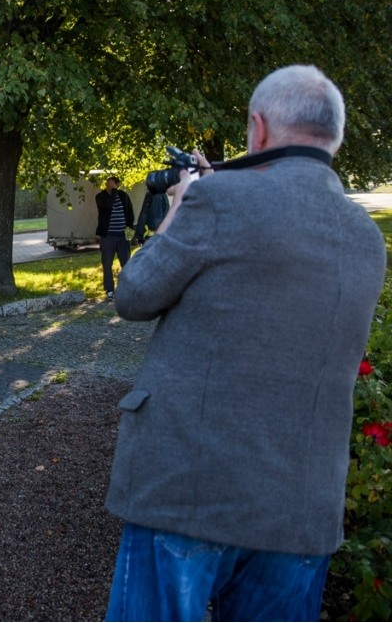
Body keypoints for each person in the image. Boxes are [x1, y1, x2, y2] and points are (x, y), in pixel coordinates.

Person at [104, 65, 387, 622]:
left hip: (189, 489)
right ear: (335, 136)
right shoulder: (365, 236)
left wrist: (185, 203)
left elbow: (133, 295)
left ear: (257, 129)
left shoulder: (219, 202)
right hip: (303, 506)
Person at [94, 176, 134, 300]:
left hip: (122, 236)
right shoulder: (101, 197)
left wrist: (129, 229)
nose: (111, 186)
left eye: (114, 184)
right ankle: (110, 290)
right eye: (110, 184)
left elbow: (130, 213)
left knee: (126, 263)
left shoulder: (123, 196)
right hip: (108, 236)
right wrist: (114, 191)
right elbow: (109, 205)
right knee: (107, 263)